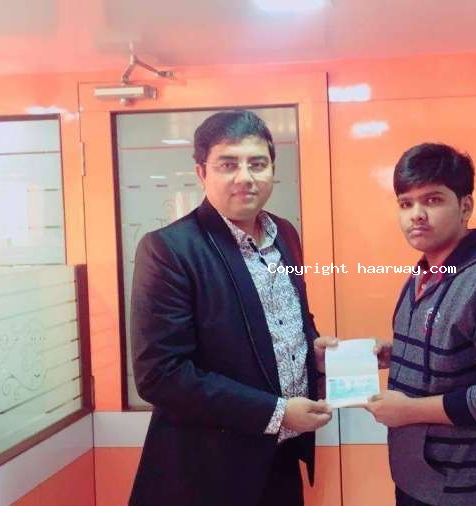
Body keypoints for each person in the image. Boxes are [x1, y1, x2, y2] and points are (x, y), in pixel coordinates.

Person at [129, 110, 332, 506]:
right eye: (228, 164)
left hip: (280, 460)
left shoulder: (284, 234)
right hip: (206, 472)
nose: (245, 177)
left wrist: (312, 351)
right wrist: (277, 413)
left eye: (257, 163)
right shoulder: (170, 249)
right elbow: (160, 375)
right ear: (201, 172)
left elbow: (287, 318)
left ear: (272, 169)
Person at [366, 142, 476, 505]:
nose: (417, 215)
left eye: (432, 200)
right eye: (406, 203)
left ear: (465, 206)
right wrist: (395, 353)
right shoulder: (428, 269)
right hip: (421, 481)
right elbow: (458, 350)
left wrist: (409, 411)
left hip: (474, 492)